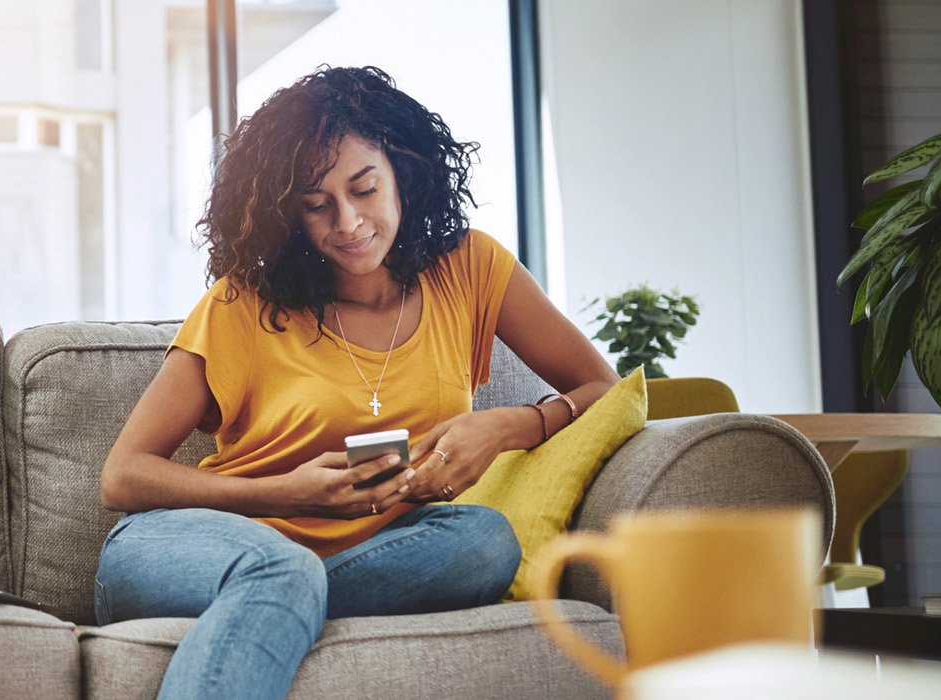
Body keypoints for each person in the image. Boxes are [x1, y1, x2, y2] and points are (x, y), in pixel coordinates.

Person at [95, 66, 620, 699]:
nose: (347, 222)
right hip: (197, 546)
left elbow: (603, 390)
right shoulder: (242, 304)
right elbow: (122, 476)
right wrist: (290, 494)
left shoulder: (471, 269)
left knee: (484, 542)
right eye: (317, 205)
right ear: (290, 215)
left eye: (364, 189)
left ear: (405, 172)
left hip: (377, 557)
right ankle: (283, 589)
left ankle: (282, 605)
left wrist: (510, 423)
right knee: (280, 567)